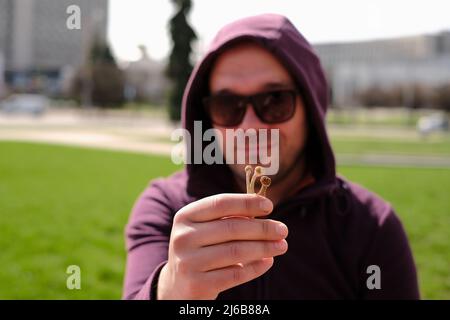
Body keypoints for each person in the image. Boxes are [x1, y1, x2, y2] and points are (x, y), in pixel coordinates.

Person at [122, 14, 419, 300]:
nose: (250, 127)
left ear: (311, 110)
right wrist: (171, 289)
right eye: (228, 105)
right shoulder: (167, 210)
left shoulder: (371, 228)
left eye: (274, 100)